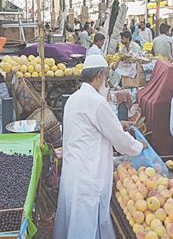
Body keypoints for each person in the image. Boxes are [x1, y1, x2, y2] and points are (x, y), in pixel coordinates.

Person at [54, 55, 145, 239]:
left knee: (74, 221)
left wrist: (119, 123)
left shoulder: (74, 98)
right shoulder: (97, 102)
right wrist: (138, 146)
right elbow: (120, 140)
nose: (106, 81)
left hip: (74, 171)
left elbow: (92, 126)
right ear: (99, 75)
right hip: (89, 174)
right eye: (106, 77)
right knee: (85, 226)